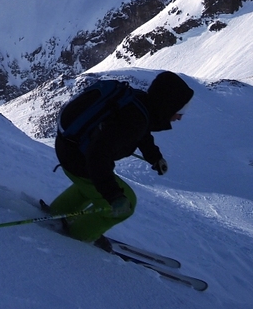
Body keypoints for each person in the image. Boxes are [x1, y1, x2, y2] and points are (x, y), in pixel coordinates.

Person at [47, 71, 194, 249]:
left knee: (91, 187)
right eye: (180, 110)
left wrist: (154, 157)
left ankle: (57, 213)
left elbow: (142, 132)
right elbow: (97, 156)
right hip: (77, 159)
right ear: (167, 105)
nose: (180, 116)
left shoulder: (139, 103)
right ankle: (78, 236)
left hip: (68, 146)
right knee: (127, 202)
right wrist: (114, 196)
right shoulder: (134, 122)